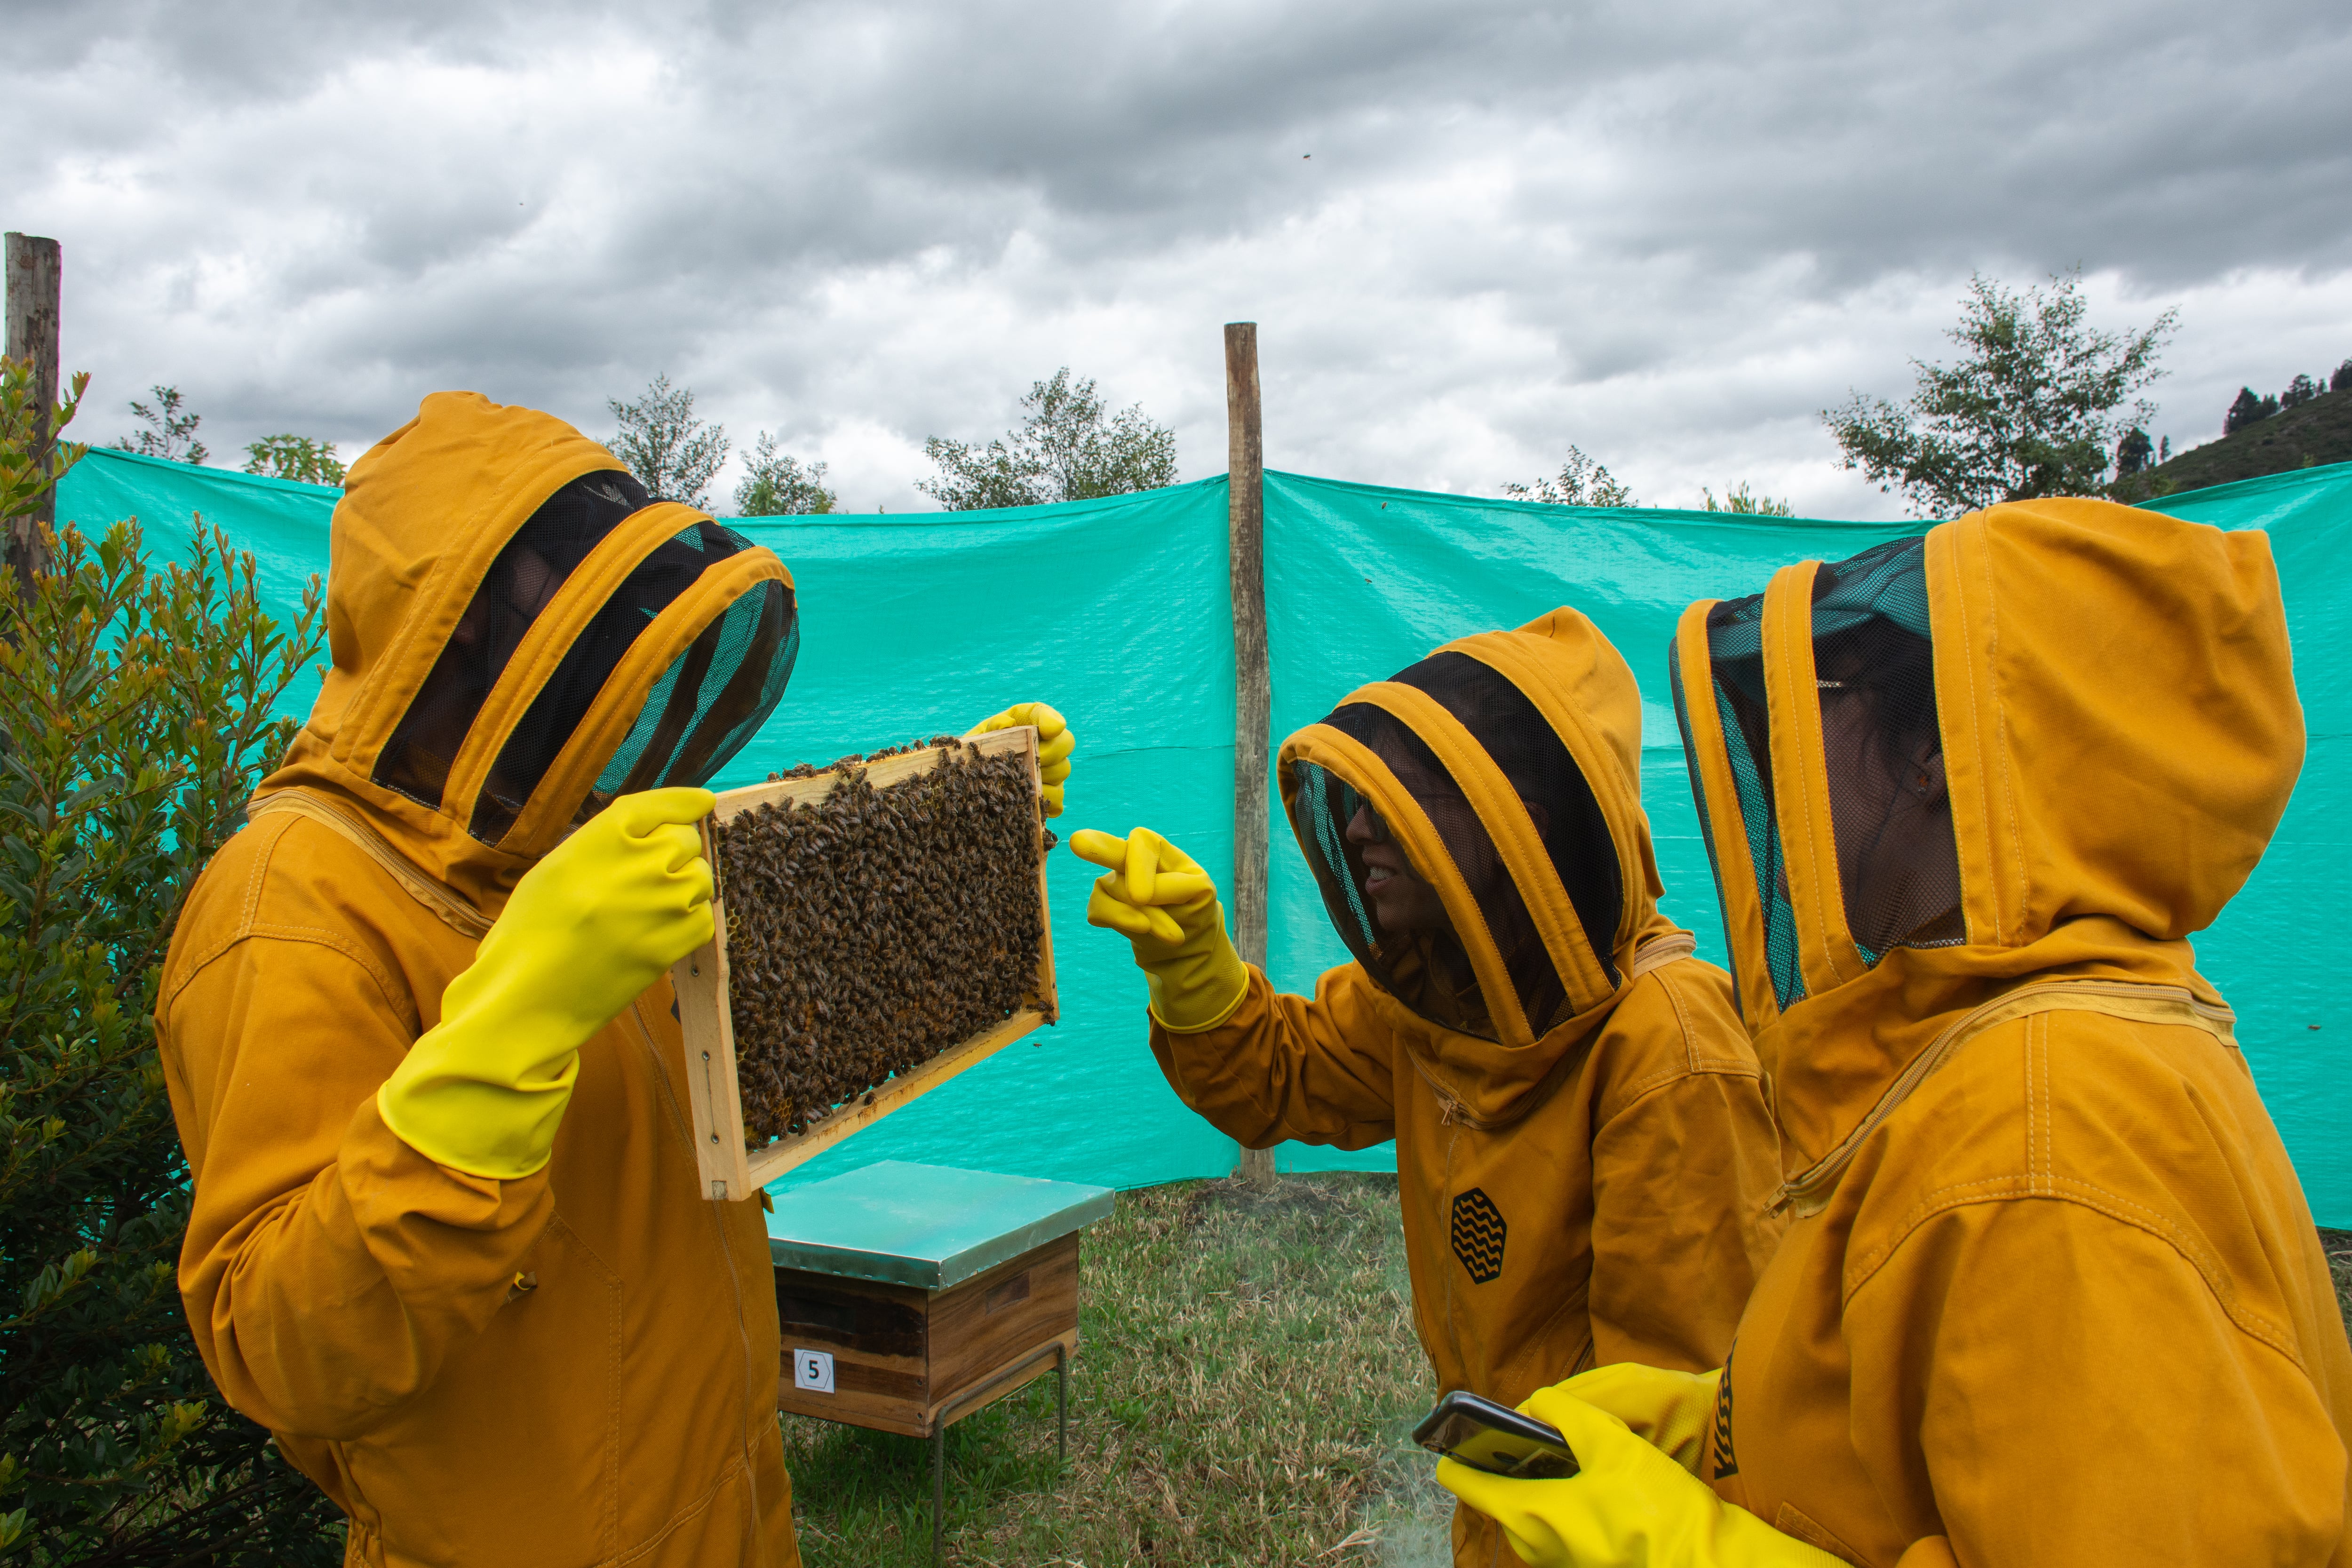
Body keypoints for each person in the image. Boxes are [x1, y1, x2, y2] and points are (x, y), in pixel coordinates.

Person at [155, 392, 1075, 1568]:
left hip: (730, 1510)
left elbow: (773, 1039)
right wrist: (506, 1033)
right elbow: (285, 1350)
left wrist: (962, 831)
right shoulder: (287, 904)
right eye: (579, 585)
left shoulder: (568, 848)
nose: (628, 642)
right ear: (469, 618)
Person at [1438, 501, 2352, 1565]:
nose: (1771, 745)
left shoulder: (2050, 1133)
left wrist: (1681, 1547)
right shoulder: (2040, 1046)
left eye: (1811, 694)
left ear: (1933, 746)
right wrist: (1738, 1417)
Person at [1074, 608, 1787, 1568]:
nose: (1362, 828)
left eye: (1407, 796)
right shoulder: (1438, 991)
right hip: (1505, 1491)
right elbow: (1279, 1080)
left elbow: (1683, 1421)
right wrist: (1196, 971)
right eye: (1364, 795)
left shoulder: (1667, 1049)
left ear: (1518, 815)